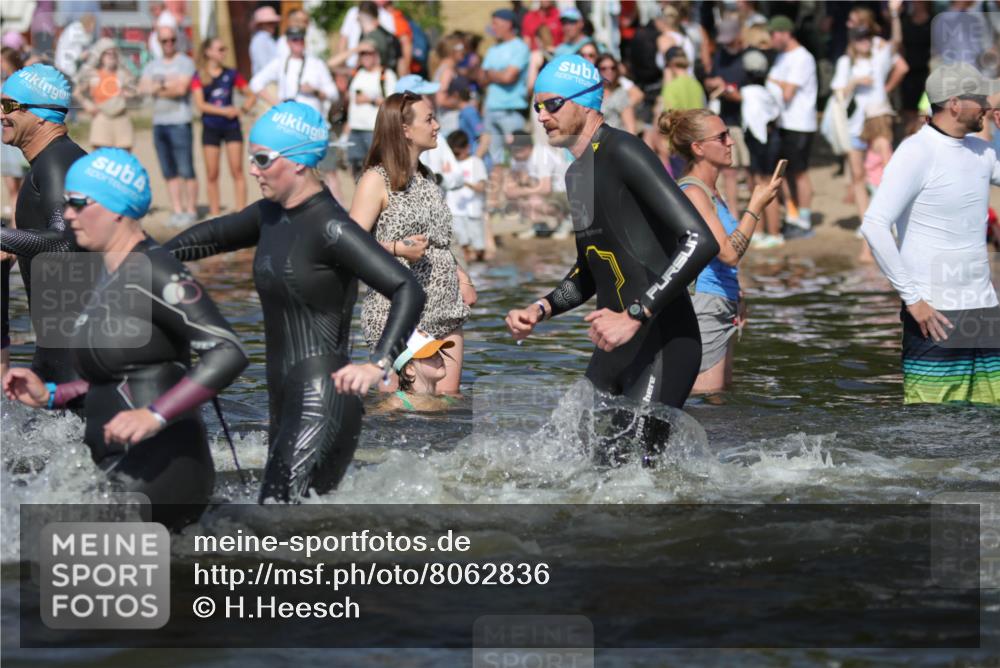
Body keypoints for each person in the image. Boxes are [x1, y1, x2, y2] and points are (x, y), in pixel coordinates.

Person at [164, 102, 425, 502]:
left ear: (300, 163)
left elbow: (408, 287)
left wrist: (378, 363)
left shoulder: (332, 227)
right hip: (284, 396)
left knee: (273, 521)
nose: (253, 169)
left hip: (327, 394)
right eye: (252, 158)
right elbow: (211, 235)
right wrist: (141, 262)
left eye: (264, 159)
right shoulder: (270, 214)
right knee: (288, 530)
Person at [2, 149, 248, 529]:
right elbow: (120, 378)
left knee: (57, 575)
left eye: (79, 203)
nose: (67, 214)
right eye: (67, 203)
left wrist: (154, 415)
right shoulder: (109, 273)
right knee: (42, 571)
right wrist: (51, 395)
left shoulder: (154, 271)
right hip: (121, 468)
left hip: (160, 471)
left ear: (117, 207)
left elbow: (227, 351)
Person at [505, 55, 719, 464]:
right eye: (537, 106)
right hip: (614, 343)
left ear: (586, 103)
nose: (542, 116)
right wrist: (542, 307)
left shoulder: (623, 149)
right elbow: (591, 267)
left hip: (661, 339)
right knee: (581, 465)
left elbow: (699, 240)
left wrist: (636, 313)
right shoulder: (576, 174)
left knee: (632, 477)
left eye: (553, 104)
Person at [860, 63, 1000, 405]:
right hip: (935, 315)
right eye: (980, 98)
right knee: (932, 436)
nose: (988, 105)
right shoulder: (916, 151)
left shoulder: (982, 151)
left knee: (987, 430)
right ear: (955, 104)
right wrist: (913, 300)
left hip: (985, 311)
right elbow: (874, 225)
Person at [351, 92, 473, 395]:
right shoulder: (376, 180)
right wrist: (397, 249)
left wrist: (462, 277)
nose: (437, 126)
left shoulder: (427, 176)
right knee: (399, 410)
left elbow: (438, 242)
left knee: (448, 408)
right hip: (397, 310)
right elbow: (348, 244)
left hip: (445, 307)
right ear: (404, 129)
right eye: (429, 119)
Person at [663, 109, 782, 393]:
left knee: (722, 393)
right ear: (698, 148)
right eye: (722, 137)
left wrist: (737, 293)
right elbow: (727, 253)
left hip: (721, 301)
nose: (731, 142)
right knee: (706, 398)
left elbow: (721, 260)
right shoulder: (693, 193)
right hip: (702, 304)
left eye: (729, 134)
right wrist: (755, 207)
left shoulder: (712, 192)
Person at [0, 63, 86, 384]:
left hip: (81, 358)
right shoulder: (49, 162)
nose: (0, 114)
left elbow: (64, 240)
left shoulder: (58, 162)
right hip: (58, 353)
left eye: (8, 105)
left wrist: (5, 239)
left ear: (39, 114)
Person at [831, 25, 909, 261]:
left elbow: (897, 44)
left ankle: (887, 223)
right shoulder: (846, 62)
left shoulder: (880, 54)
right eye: (858, 39)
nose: (863, 42)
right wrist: (855, 82)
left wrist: (895, 16)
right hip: (854, 123)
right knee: (857, 177)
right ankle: (869, 231)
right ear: (852, 41)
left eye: (866, 38)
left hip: (877, 116)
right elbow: (839, 93)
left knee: (888, 170)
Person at [139, 25, 197, 228]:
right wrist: (167, 85)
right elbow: (143, 88)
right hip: (159, 123)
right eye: (165, 41)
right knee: (169, 170)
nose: (169, 44)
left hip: (180, 121)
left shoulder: (185, 62)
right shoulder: (152, 65)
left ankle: (191, 210)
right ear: (159, 42)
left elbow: (181, 89)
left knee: (186, 169)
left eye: (172, 40)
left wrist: (158, 87)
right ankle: (177, 209)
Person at [192, 37, 255, 217]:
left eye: (224, 49)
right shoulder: (199, 76)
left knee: (237, 170)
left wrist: (242, 109)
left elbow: (251, 95)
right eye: (220, 49)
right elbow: (201, 105)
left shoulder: (231, 74)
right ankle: (214, 213)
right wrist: (224, 110)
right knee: (212, 174)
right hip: (210, 128)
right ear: (208, 52)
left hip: (231, 128)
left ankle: (241, 213)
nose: (223, 53)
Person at [766, 15, 817, 235]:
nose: (771, 39)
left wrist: (773, 82)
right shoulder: (781, 57)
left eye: (774, 34)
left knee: (800, 173)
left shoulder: (802, 57)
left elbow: (787, 93)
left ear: (786, 33)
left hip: (800, 123)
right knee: (782, 173)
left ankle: (804, 220)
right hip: (782, 123)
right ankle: (792, 214)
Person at [703, 18, 749, 210]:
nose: (726, 43)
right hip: (725, 120)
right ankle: (733, 217)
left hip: (744, 121)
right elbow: (709, 79)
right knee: (728, 172)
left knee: (749, 172)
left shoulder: (748, 58)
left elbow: (747, 96)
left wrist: (727, 90)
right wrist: (713, 83)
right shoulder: (720, 55)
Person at [740, 48, 784, 249]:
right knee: (761, 183)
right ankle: (761, 230)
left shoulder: (747, 92)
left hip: (762, 140)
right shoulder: (770, 89)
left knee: (765, 185)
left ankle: (774, 232)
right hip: (769, 137)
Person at [479, 9, 531, 171]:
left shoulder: (520, 47)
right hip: (491, 109)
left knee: (520, 158)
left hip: (511, 111)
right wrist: (499, 74)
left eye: (496, 23)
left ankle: (521, 193)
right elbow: (481, 79)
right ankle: (498, 195)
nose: (492, 27)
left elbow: (509, 77)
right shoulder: (492, 50)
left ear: (508, 24)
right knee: (496, 161)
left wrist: (491, 74)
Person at [250, 27, 338, 116]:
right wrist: (277, 104)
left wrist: (315, 91)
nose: (299, 42)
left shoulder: (317, 64)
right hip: (288, 119)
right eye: (295, 40)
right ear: (288, 43)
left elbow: (334, 95)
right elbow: (255, 83)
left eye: (301, 39)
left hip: (312, 121)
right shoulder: (280, 62)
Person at [74, 38, 137, 151]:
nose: (111, 56)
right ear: (101, 56)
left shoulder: (123, 73)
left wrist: (128, 93)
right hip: (101, 117)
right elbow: (77, 91)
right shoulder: (94, 75)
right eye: (108, 53)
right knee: (102, 157)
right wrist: (86, 104)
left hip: (121, 117)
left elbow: (135, 90)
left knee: (123, 158)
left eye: (114, 53)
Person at [345, 40, 396, 179]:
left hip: (374, 130)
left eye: (369, 53)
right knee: (355, 169)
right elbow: (331, 65)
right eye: (362, 54)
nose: (365, 57)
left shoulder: (386, 74)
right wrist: (355, 49)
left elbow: (392, 104)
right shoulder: (357, 73)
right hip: (355, 129)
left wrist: (371, 99)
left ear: (377, 55)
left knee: (377, 170)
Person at [378, 330, 457, 412]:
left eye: (437, 352)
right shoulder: (397, 403)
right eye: (430, 355)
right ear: (410, 369)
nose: (439, 357)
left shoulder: (446, 400)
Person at [446, 129, 487, 262]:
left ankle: (479, 270)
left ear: (467, 148)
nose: (455, 156)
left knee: (478, 247)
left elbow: (482, 187)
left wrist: (465, 183)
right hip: (455, 211)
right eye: (453, 153)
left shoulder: (476, 162)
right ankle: (467, 273)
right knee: (462, 244)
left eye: (457, 153)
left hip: (473, 211)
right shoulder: (449, 163)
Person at [597, 54, 637, 134]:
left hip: (615, 141)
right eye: (603, 68)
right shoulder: (591, 93)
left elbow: (631, 127)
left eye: (613, 68)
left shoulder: (620, 93)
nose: (609, 71)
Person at [249, 5, 280, 77]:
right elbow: (264, 65)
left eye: (273, 23)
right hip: (266, 82)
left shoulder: (269, 38)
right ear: (261, 24)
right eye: (269, 23)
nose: (273, 25)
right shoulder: (260, 39)